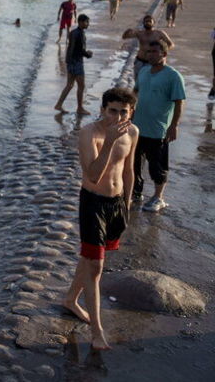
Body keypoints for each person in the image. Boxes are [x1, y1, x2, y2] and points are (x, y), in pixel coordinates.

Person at [61, 87, 139, 351]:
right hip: (93, 202)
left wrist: (126, 203)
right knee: (95, 267)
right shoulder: (89, 133)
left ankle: (71, 299)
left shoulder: (132, 132)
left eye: (123, 112)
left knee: (89, 258)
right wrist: (108, 142)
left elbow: (128, 170)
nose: (117, 117)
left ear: (131, 112)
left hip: (116, 204)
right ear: (103, 109)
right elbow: (93, 174)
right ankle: (97, 332)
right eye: (112, 111)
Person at [132, 40, 185, 212]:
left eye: (154, 51)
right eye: (148, 52)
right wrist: (127, 112)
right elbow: (135, 92)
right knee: (134, 163)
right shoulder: (144, 71)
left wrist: (174, 125)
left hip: (158, 129)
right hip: (138, 126)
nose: (150, 55)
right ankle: (136, 192)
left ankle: (158, 197)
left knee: (157, 166)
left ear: (164, 54)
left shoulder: (173, 76)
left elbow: (179, 102)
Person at [55, 14, 94, 114]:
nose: (88, 24)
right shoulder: (80, 34)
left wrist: (68, 61)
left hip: (70, 61)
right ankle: (80, 108)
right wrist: (88, 54)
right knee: (81, 86)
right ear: (80, 22)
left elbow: (71, 48)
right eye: (87, 22)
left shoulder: (73, 32)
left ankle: (59, 104)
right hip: (77, 62)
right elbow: (80, 50)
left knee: (69, 85)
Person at [121, 15, 174, 80]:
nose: (147, 22)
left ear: (153, 22)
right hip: (140, 61)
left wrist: (162, 54)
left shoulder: (159, 33)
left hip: (152, 63)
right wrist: (128, 30)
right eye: (146, 21)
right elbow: (124, 37)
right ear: (143, 23)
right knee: (138, 82)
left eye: (149, 21)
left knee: (150, 81)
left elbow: (171, 44)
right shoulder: (140, 33)